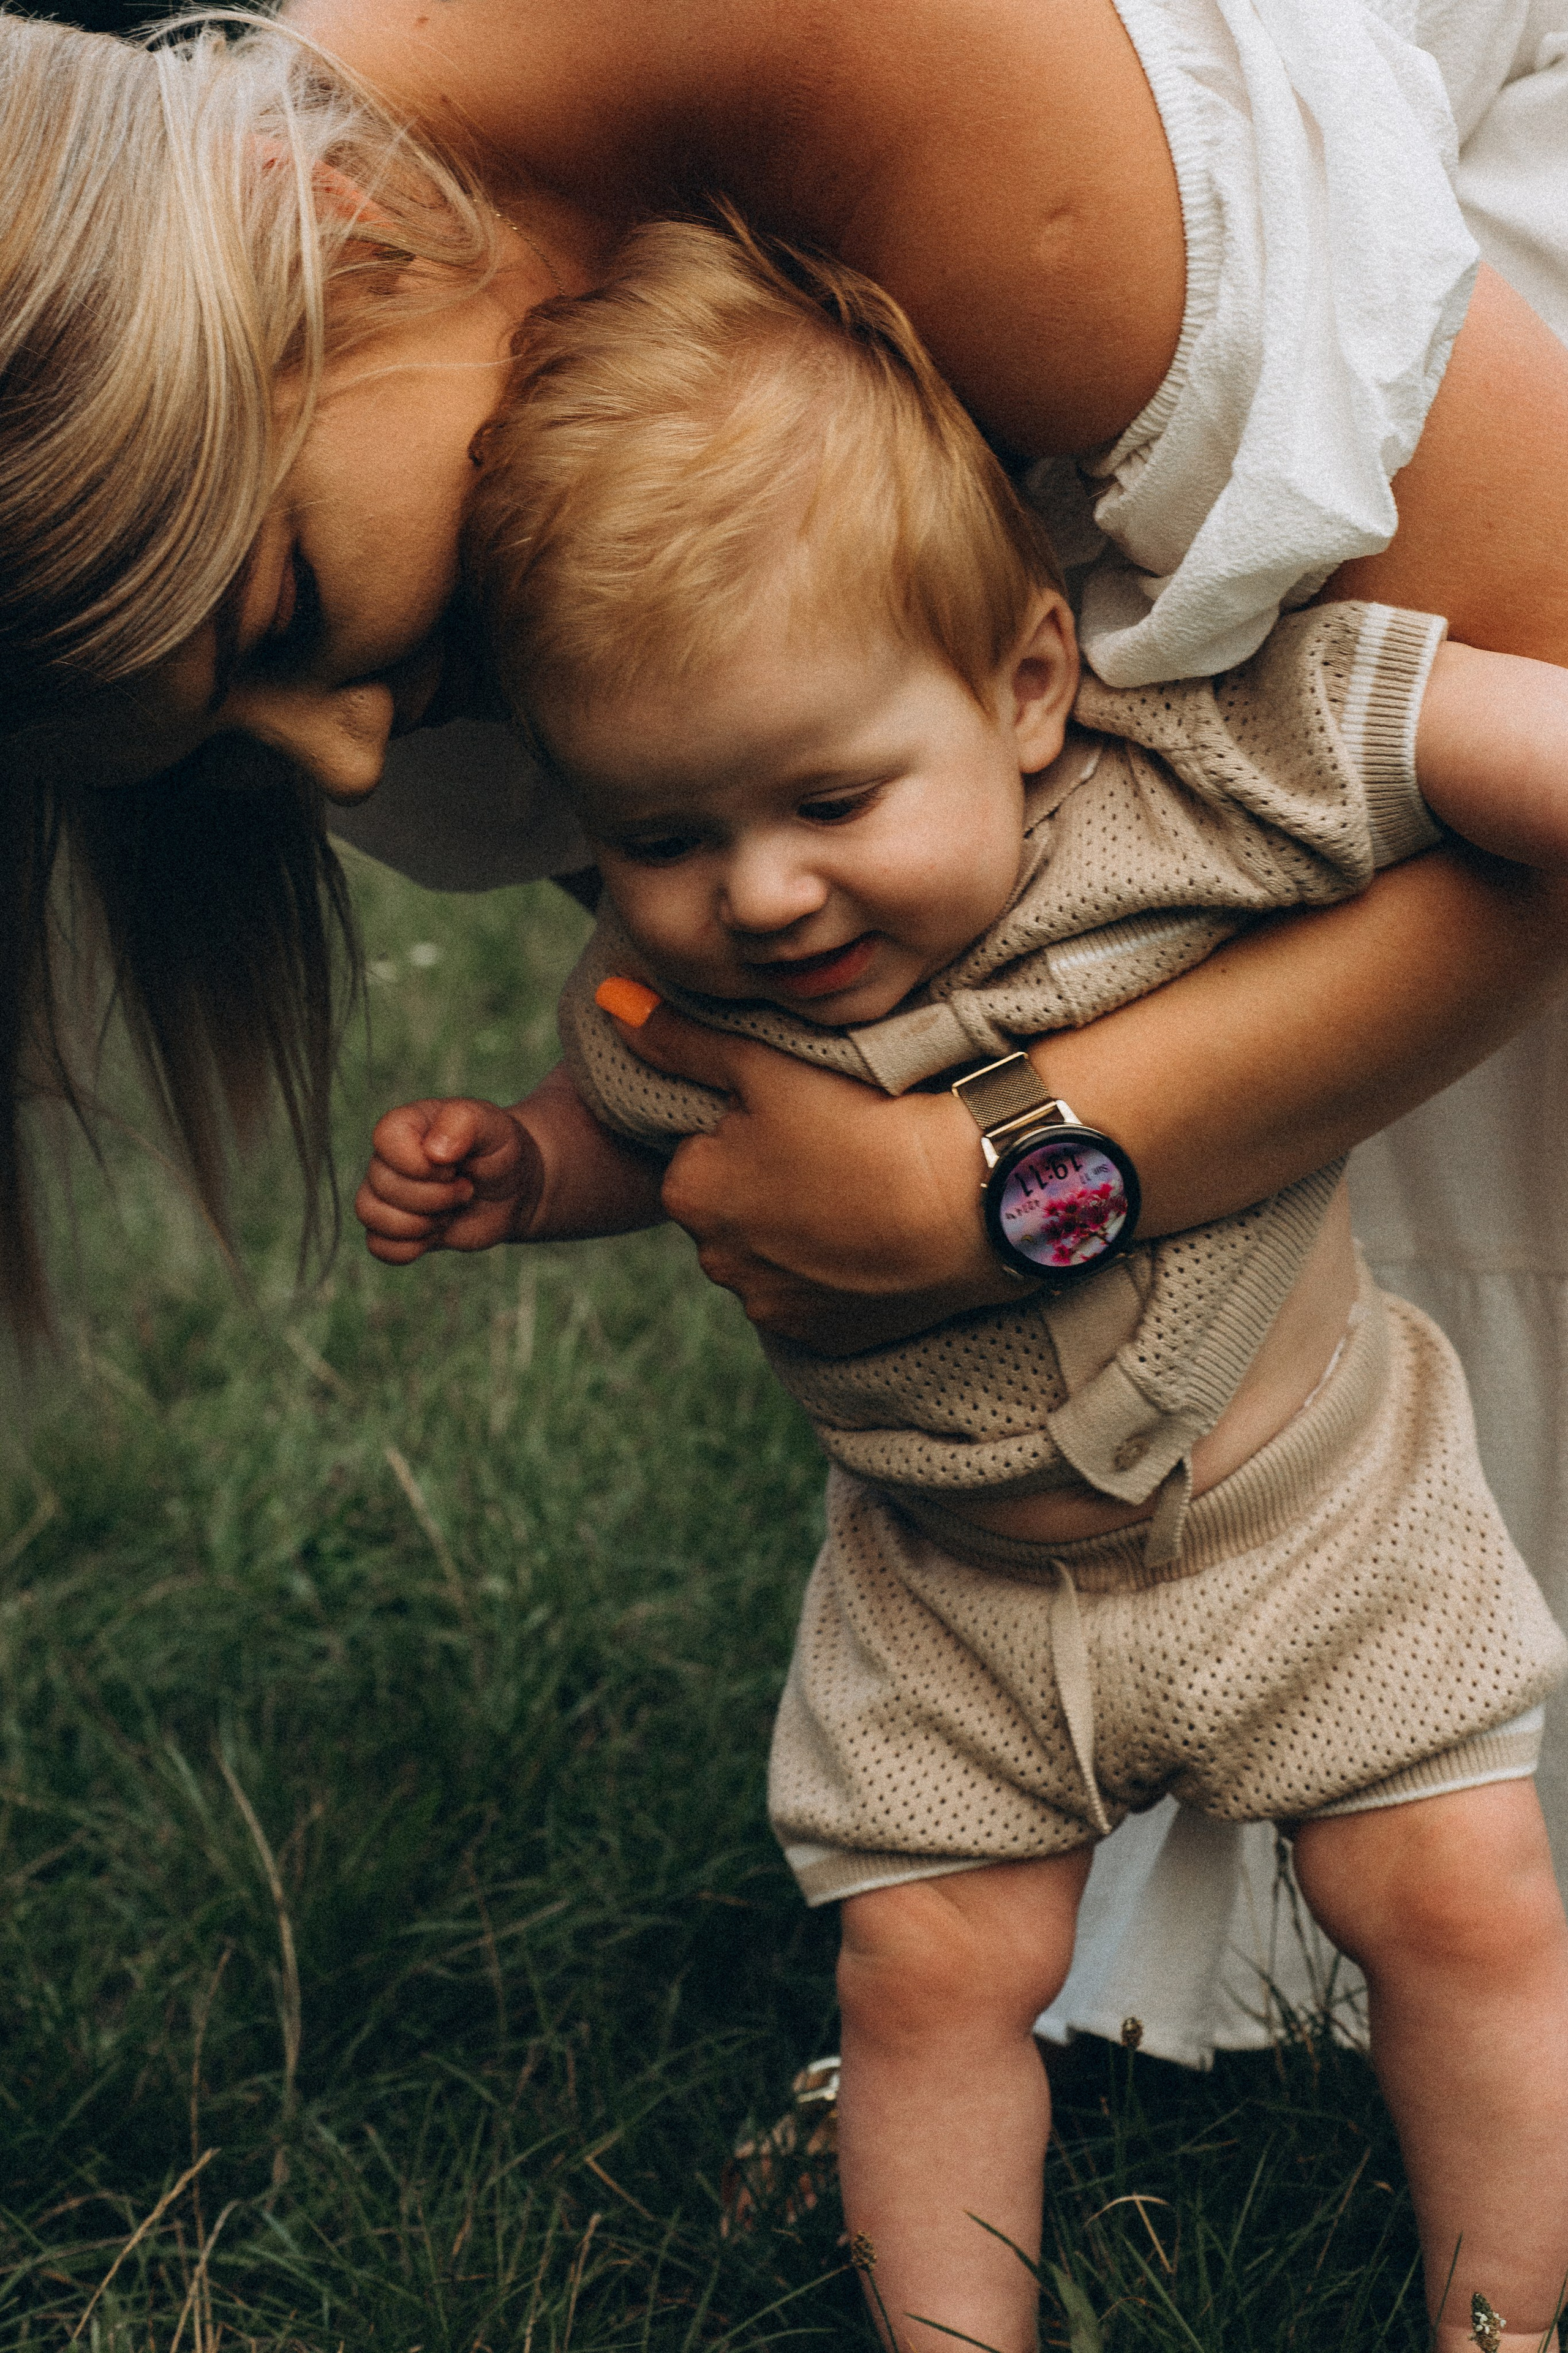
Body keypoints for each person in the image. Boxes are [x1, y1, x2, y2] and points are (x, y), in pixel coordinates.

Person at [6, 0, 1568, 2090]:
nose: (343, 752)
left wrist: (1001, 1186)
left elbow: (1516, 745)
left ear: (330, 231)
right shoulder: (385, 440)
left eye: (279, 618)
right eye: (221, 737)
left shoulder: (899, 82)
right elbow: (885, 986)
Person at [354, 219, 1568, 2353]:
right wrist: (527, 1166)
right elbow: (648, 1129)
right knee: (923, 1973)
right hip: (953, 1598)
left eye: (829, 798)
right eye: (665, 832)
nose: (763, 891)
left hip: (1316, 1517)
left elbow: (1436, 735)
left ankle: (1504, 2320)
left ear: (1023, 683)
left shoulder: (1189, 778)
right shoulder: (683, 991)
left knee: (1458, 1902)